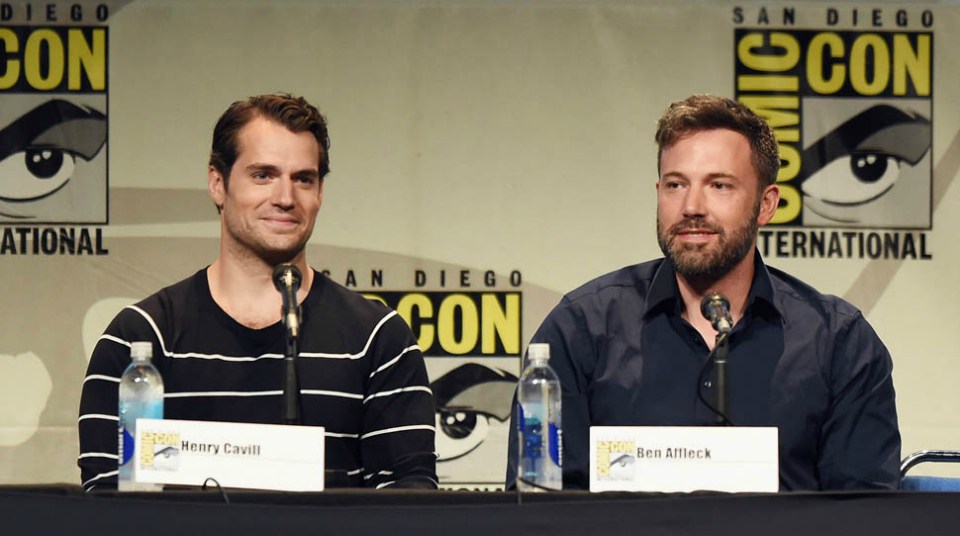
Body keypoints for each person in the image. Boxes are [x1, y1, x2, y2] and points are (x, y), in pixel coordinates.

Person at [506, 94, 900, 491]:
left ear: (766, 205)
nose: (692, 206)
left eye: (719, 185)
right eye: (676, 185)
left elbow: (865, 515)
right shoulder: (580, 328)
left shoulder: (839, 343)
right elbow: (540, 509)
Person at [79, 94, 437, 491]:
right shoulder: (141, 340)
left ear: (320, 193)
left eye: (304, 178)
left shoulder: (377, 338)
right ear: (218, 183)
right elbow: (107, 504)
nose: (286, 198)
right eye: (263, 175)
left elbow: (410, 502)